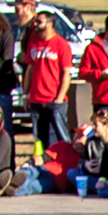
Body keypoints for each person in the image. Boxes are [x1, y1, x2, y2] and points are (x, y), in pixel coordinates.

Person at [20, 11, 73, 151]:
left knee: (61, 136)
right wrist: (25, 95)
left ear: (49, 24)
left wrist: (60, 98)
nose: (35, 24)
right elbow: (29, 70)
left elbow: (66, 73)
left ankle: (66, 162)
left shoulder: (61, 44)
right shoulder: (33, 43)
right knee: (40, 137)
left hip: (54, 98)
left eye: (39, 21)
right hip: (36, 98)